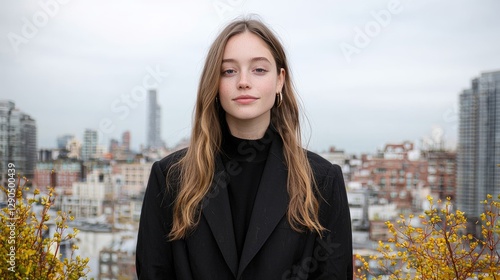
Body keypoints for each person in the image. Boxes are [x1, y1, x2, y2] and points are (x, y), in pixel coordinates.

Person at [136, 17, 353, 280]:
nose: (243, 81)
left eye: (259, 70)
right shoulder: (170, 177)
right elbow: (154, 271)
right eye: (229, 71)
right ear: (214, 83)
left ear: (280, 80)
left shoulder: (322, 180)